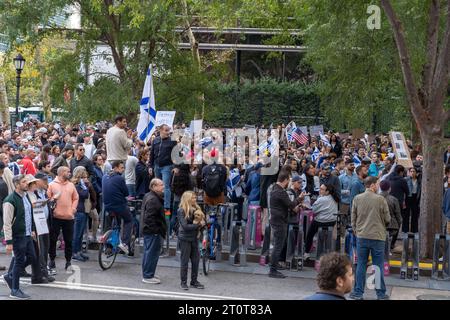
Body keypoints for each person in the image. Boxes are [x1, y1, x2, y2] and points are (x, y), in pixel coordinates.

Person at [2, 175, 44, 300]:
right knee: (19, 261)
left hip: (27, 234)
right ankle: (14, 290)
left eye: (26, 181)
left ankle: (10, 275)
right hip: (17, 236)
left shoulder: (26, 197)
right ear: (17, 184)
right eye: (24, 182)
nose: (27, 183)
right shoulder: (10, 201)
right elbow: (7, 223)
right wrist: (9, 242)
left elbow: (28, 215)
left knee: (32, 257)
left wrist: (31, 230)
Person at [350, 176, 391, 300]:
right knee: (377, 265)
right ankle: (380, 294)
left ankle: (358, 293)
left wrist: (357, 230)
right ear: (372, 185)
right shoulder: (380, 199)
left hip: (362, 235)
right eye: (377, 184)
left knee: (361, 264)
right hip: (378, 236)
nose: (378, 186)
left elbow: (353, 218)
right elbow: (387, 219)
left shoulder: (357, 198)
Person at [268, 172, 304, 278]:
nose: (289, 183)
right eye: (288, 180)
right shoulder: (280, 192)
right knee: (278, 246)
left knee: (277, 245)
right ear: (285, 180)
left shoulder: (274, 188)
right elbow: (291, 204)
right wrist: (299, 199)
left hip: (276, 220)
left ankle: (274, 266)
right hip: (280, 221)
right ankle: (273, 269)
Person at [47, 166, 79, 274]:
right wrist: (53, 201)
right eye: (67, 171)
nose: (69, 173)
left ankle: (68, 261)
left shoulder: (71, 185)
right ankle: (51, 260)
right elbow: (47, 199)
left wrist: (73, 208)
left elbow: (76, 198)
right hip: (55, 218)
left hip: (69, 217)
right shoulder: (51, 185)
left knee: (69, 241)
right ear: (61, 173)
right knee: (52, 240)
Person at [102, 160, 132, 254]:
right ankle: (125, 243)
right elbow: (126, 193)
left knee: (111, 224)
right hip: (119, 205)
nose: (123, 170)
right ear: (115, 168)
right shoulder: (119, 178)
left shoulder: (104, 176)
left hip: (107, 205)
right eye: (121, 168)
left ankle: (108, 247)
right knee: (129, 220)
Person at [177, 191, 205, 290]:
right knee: (184, 261)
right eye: (193, 198)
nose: (195, 199)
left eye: (195, 197)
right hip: (185, 238)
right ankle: (183, 282)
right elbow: (185, 226)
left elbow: (202, 221)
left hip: (194, 238)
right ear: (187, 199)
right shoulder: (181, 210)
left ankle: (194, 281)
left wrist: (203, 224)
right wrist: (198, 225)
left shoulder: (197, 208)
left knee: (196, 261)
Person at [140, 178, 167, 284]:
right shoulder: (153, 199)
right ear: (154, 187)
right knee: (151, 253)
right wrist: (156, 231)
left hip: (150, 231)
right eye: (160, 185)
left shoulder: (150, 196)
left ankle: (148, 273)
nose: (163, 186)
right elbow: (149, 218)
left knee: (149, 253)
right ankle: (147, 276)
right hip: (153, 232)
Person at [304, 184, 339, 258]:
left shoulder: (322, 199)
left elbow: (313, 210)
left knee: (310, 234)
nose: (320, 190)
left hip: (322, 221)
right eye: (320, 188)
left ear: (327, 192)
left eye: (322, 189)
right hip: (332, 221)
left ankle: (306, 252)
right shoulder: (334, 198)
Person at [149, 124, 178, 215]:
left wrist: (176, 166)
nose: (168, 132)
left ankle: (166, 207)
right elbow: (152, 154)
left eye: (168, 130)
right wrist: (150, 166)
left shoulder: (172, 141)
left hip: (167, 166)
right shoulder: (155, 140)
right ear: (161, 130)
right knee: (157, 186)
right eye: (166, 130)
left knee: (165, 186)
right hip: (157, 166)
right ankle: (157, 202)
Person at [33, 172, 54, 280]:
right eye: (44, 180)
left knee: (45, 248)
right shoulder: (33, 193)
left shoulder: (43, 192)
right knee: (40, 250)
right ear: (38, 181)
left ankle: (44, 272)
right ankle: (41, 273)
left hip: (44, 222)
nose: (47, 182)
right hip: (37, 225)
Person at [70, 167, 91, 262]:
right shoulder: (77, 185)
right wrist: (86, 187)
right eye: (85, 177)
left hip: (82, 210)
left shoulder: (79, 185)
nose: (86, 179)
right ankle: (75, 253)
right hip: (78, 210)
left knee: (80, 233)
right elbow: (84, 195)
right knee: (77, 234)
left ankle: (78, 251)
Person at [379, 180, 402, 251]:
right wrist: (399, 223)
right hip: (391, 224)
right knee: (397, 227)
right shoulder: (394, 199)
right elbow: (398, 214)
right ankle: (392, 245)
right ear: (389, 188)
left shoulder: (375, 198)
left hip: (378, 223)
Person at [388, 165, 409, 233]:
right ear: (400, 172)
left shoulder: (388, 178)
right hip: (398, 202)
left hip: (388, 201)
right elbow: (407, 192)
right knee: (398, 219)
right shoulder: (402, 180)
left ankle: (388, 234)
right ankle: (394, 237)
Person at [405, 167, 421, 234]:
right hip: (408, 198)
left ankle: (414, 230)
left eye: (413, 171)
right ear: (409, 172)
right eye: (411, 171)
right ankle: (405, 230)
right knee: (406, 214)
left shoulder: (419, 180)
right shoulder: (406, 179)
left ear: (416, 173)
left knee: (415, 214)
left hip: (415, 198)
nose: (412, 173)